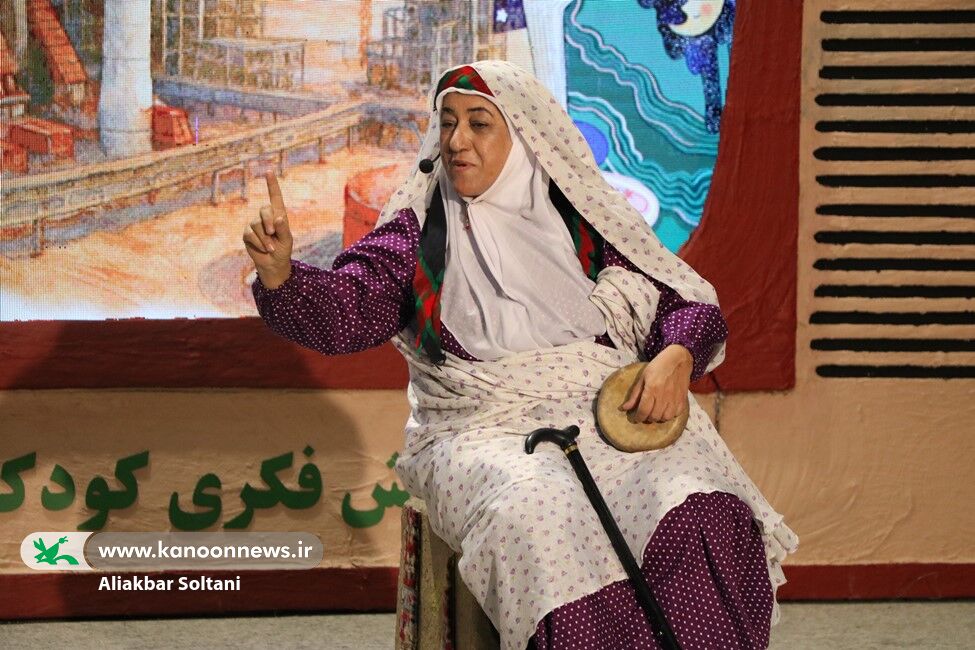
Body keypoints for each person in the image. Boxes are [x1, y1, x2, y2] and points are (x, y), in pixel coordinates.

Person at [244, 60, 797, 650]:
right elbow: (349, 309)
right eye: (448, 122)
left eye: (479, 124)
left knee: (697, 502)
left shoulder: (583, 223)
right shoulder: (417, 232)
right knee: (540, 515)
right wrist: (282, 276)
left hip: (600, 411)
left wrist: (677, 355)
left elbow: (680, 301)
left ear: (525, 136)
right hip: (478, 428)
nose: (457, 140)